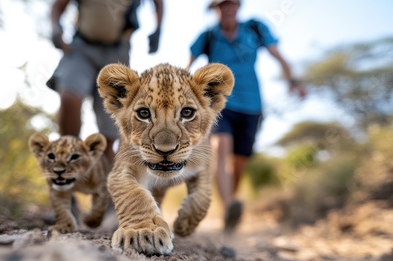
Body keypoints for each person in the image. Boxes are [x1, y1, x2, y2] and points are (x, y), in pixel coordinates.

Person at [187, 0, 306, 231]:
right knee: (220, 148)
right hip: (220, 104)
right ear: (216, 9)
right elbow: (188, 67)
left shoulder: (255, 29)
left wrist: (293, 81)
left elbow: (278, 56)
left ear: (238, 7)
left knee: (239, 163)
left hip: (252, 105)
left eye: (232, 4)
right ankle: (229, 205)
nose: (228, 9)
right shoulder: (208, 36)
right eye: (223, 5)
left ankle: (231, 206)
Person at [49, 0, 164, 162]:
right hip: (81, 48)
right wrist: (55, 27)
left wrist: (158, 29)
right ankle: (69, 157)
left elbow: (158, 3)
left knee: (109, 136)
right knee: (69, 97)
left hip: (117, 53)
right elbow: (58, 6)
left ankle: (104, 183)